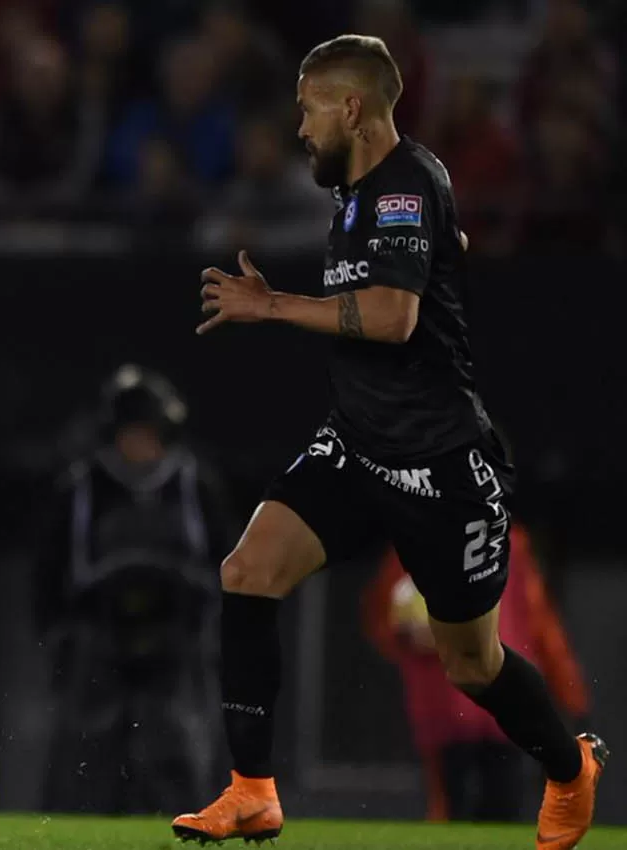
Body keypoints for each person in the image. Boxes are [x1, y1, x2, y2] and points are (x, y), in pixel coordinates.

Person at [179, 34, 605, 850]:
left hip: (442, 465)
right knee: (247, 571)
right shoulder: (365, 186)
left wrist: (271, 307)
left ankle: (568, 768)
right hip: (359, 446)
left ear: (351, 108)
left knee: (471, 665)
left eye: (307, 109)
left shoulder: (403, 184)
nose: (299, 128)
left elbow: (392, 317)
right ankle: (252, 790)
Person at [35, 365, 233, 815]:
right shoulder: (82, 488)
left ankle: (185, 825)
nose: (139, 446)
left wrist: (224, 632)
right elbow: (49, 570)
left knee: (178, 743)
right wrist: (55, 634)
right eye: (130, 433)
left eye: (147, 433)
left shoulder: (193, 485)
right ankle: (83, 831)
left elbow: (227, 563)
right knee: (90, 750)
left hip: (177, 637)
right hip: (98, 636)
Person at [362, 523, 590, 823]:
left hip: (493, 704)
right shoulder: (415, 543)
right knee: (454, 805)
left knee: (501, 802)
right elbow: (384, 618)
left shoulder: (510, 544)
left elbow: (538, 622)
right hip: (449, 705)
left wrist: (570, 693)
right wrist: (406, 634)